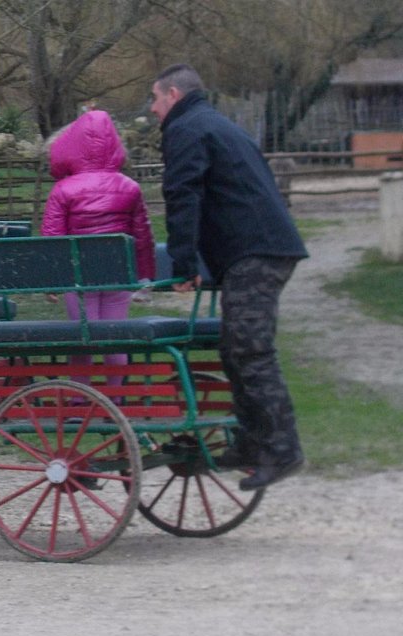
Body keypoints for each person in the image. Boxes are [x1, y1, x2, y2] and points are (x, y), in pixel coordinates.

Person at [150, 64, 309, 490]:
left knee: (251, 351)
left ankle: (282, 449)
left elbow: (183, 196)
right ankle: (252, 443)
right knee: (235, 348)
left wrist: (183, 264)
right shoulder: (216, 124)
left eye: (156, 99)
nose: (153, 109)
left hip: (256, 252)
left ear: (174, 96)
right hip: (258, 249)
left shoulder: (188, 129)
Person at [41, 109, 156, 398]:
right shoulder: (130, 188)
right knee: (114, 339)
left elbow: (53, 239)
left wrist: (52, 279)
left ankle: (82, 401)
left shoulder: (63, 190)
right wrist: (145, 276)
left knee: (83, 340)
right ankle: (114, 401)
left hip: (78, 279)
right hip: (118, 276)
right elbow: (142, 237)